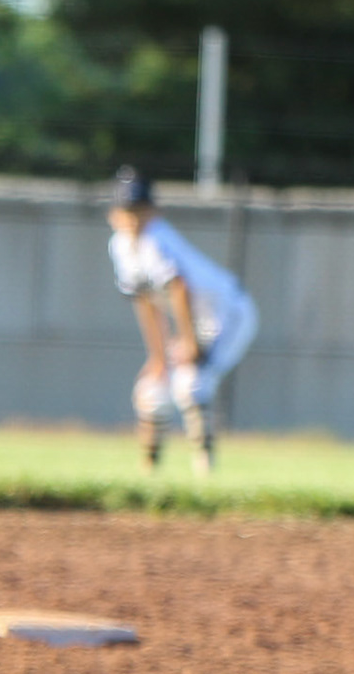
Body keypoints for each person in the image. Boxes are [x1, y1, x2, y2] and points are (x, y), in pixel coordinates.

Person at [106, 167, 259, 474]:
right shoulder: (120, 246)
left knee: (191, 383)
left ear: (154, 212)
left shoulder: (154, 240)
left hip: (229, 313)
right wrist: (158, 356)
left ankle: (205, 466)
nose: (134, 219)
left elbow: (179, 289)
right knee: (152, 388)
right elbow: (145, 301)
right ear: (113, 215)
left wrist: (189, 342)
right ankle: (150, 467)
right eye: (127, 211)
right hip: (197, 318)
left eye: (140, 210)